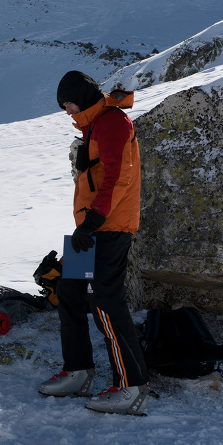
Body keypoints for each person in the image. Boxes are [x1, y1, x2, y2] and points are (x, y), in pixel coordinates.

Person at [38, 71, 151, 415]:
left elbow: (120, 176)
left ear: (80, 96)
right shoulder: (92, 125)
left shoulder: (113, 122)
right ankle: (78, 371)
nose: (66, 111)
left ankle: (131, 386)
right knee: (69, 292)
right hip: (88, 228)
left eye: (67, 103)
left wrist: (95, 220)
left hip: (109, 226)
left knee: (105, 300)